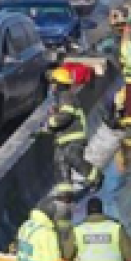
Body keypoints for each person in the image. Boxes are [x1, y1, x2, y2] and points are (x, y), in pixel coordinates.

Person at [45, 68, 103, 203]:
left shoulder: (66, 97)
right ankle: (65, 192)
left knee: (73, 158)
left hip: (74, 136)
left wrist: (51, 122)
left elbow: (65, 116)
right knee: (60, 163)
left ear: (58, 83)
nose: (51, 86)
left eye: (53, 82)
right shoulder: (59, 99)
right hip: (62, 138)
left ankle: (95, 176)